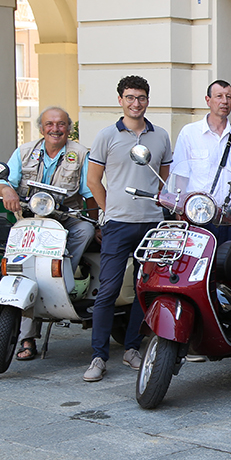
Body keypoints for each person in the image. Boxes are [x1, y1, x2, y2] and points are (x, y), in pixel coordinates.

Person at [82, 75, 172, 382]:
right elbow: (93, 180)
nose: (136, 103)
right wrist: (110, 210)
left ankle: (133, 348)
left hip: (152, 224)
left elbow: (164, 180)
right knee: (107, 289)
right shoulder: (107, 136)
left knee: (143, 289)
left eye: (142, 97)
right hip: (118, 224)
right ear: (120, 100)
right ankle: (98, 356)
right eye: (130, 97)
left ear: (148, 100)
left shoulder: (160, 136)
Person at [0, 106, 96, 362]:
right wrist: (7, 191)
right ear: (41, 128)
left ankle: (61, 274)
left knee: (85, 229)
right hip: (31, 220)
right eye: (49, 124)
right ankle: (26, 337)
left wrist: (99, 222)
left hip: (65, 220)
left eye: (61, 124)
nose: (55, 129)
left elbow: (89, 193)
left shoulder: (80, 153)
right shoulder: (24, 151)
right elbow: (3, 181)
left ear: (68, 128)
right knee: (24, 270)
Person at [168, 79, 231, 242]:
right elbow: (180, 176)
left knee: (226, 264)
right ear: (208, 100)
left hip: (230, 218)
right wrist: (180, 211)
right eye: (219, 96)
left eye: (229, 97)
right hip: (197, 214)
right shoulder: (189, 133)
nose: (224, 101)